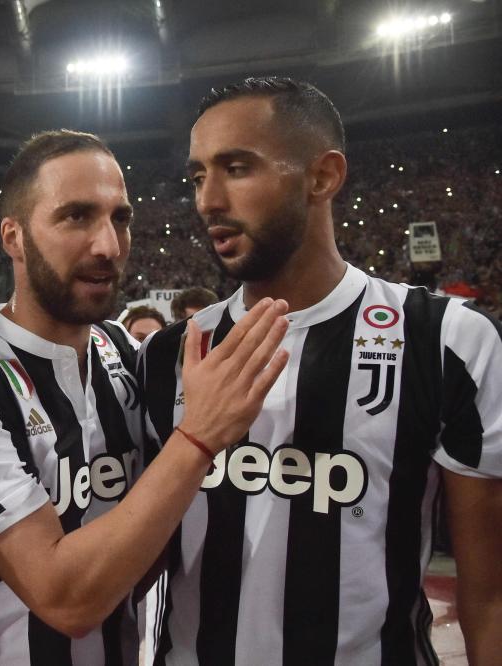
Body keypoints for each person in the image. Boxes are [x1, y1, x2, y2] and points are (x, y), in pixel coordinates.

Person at [140, 77, 502, 665]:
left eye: (236, 167)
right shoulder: (169, 353)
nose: (208, 200)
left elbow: (489, 598)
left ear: (323, 177)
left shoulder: (447, 340)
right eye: (198, 175)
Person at [0, 129, 290, 664]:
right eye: (76, 216)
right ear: (13, 237)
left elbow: (153, 540)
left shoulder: (121, 353)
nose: (109, 245)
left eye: (120, 218)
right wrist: (199, 437)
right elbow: (65, 599)